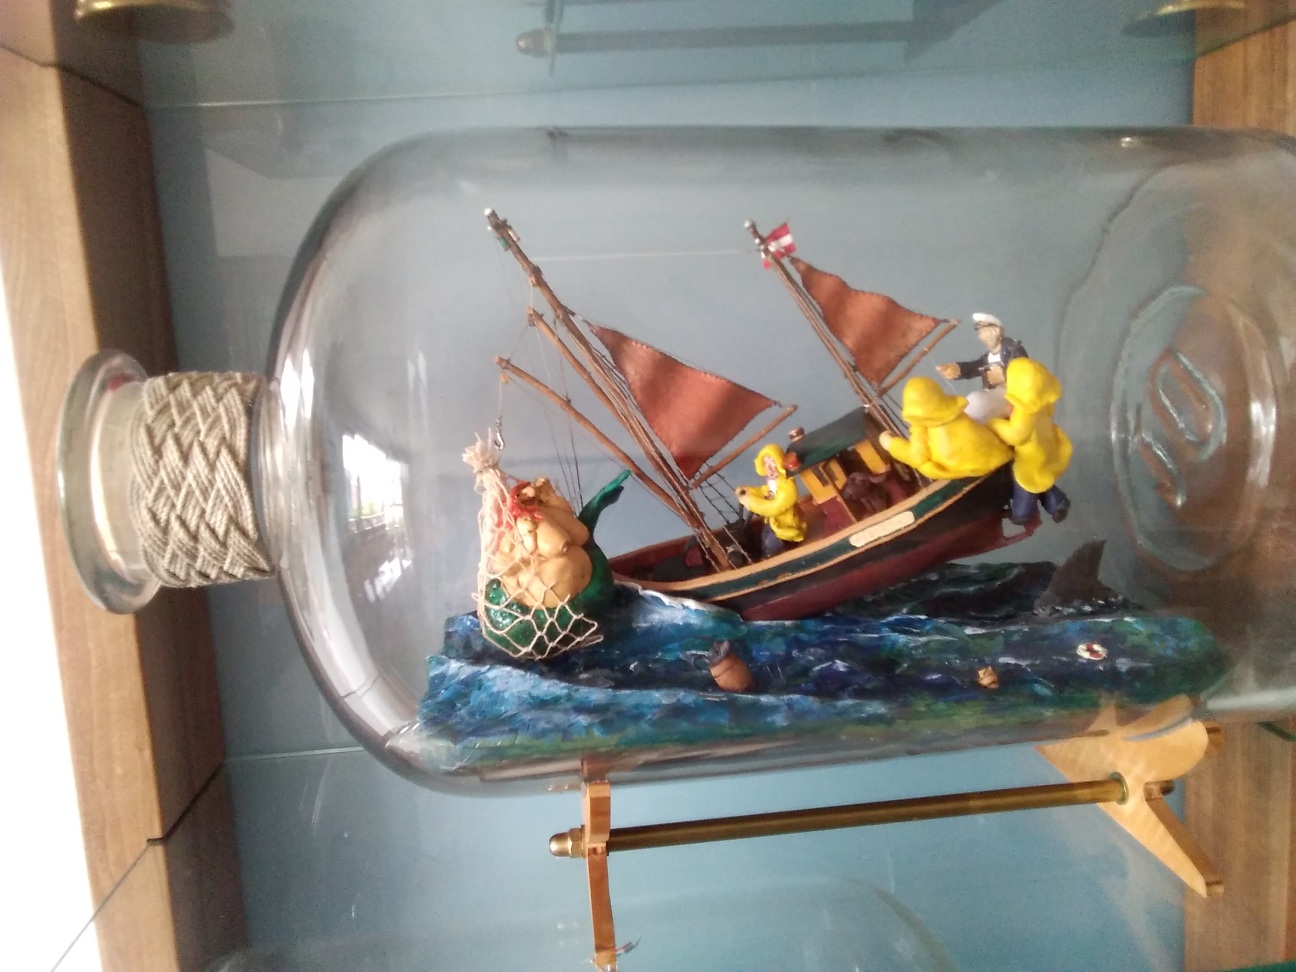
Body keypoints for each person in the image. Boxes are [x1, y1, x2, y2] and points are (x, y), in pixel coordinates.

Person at [986, 358, 1072, 525]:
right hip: (1047, 444)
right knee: (1041, 477)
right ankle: (1057, 504)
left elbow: (1016, 435)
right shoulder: (1042, 403)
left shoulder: (1024, 413)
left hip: (1030, 456)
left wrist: (994, 424)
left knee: (1026, 483)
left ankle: (1022, 513)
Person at [879, 376, 1012, 481]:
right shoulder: (959, 414)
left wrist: (891, 444)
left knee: (925, 465)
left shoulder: (921, 426)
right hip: (996, 458)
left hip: (960, 471)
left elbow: (916, 456)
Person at [936, 313, 1028, 422]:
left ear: (995, 330)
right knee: (974, 401)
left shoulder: (1013, 349)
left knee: (978, 401)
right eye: (980, 332)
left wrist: (1004, 376)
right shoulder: (988, 356)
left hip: (1013, 397)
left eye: (983, 331)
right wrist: (958, 369)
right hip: (994, 395)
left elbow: (1027, 374)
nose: (981, 337)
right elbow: (975, 366)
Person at [736, 443, 807, 558]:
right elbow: (763, 491)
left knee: (769, 545)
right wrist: (747, 491)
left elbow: (775, 507)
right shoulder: (773, 482)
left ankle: (773, 558)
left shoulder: (787, 486)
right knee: (762, 539)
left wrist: (750, 502)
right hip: (773, 523)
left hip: (788, 528)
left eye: (772, 462)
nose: (769, 468)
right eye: (766, 464)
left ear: (779, 462)